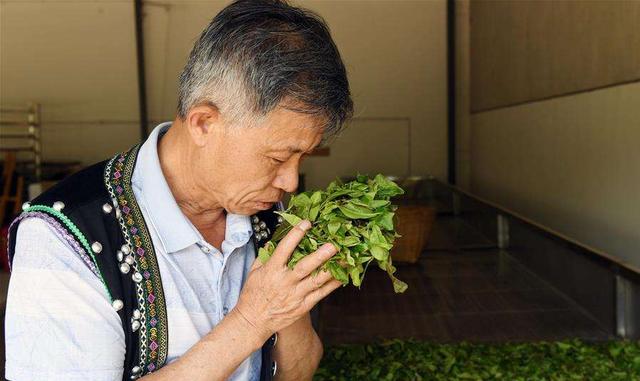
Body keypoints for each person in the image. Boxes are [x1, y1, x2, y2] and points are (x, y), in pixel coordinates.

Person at [4, 0, 353, 380]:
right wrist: (254, 317)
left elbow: (299, 371)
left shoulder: (268, 218)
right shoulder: (64, 236)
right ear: (204, 123)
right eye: (276, 158)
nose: (290, 182)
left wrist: (289, 303)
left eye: (302, 159)